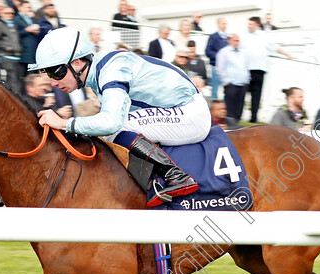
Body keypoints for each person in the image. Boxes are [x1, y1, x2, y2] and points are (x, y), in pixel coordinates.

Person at [30, 27, 208, 207]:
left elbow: (111, 122)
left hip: (190, 113)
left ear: (77, 63)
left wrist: (63, 123)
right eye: (48, 74)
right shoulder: (98, 72)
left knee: (113, 128)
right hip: (177, 108)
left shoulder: (110, 70)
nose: (53, 81)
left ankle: (176, 176)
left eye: (56, 71)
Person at [240, 16, 294, 123]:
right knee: (242, 93)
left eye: (251, 24)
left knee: (256, 94)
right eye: (248, 24)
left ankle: (253, 117)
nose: (249, 26)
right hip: (245, 69)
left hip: (259, 69)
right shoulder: (243, 35)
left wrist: (288, 55)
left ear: (257, 25)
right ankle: (238, 115)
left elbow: (275, 48)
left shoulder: (263, 36)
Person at [215, 33, 248, 124]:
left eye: (238, 40)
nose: (237, 42)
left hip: (242, 83)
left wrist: (246, 79)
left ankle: (237, 123)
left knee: (240, 105)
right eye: (235, 40)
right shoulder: (224, 52)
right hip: (231, 84)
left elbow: (245, 66)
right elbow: (219, 68)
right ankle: (230, 124)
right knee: (230, 106)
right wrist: (226, 81)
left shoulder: (242, 52)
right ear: (229, 40)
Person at [0, 4, 22, 91]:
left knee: (16, 80)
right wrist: (6, 47)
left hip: (17, 57)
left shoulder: (14, 25)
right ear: (1, 14)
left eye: (12, 13)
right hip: (6, 56)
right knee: (13, 81)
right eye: (7, 13)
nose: (10, 15)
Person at [15, 0, 40, 74]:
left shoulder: (31, 19)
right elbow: (15, 34)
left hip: (32, 53)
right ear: (20, 8)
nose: (29, 9)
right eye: (27, 7)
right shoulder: (17, 19)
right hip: (23, 52)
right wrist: (27, 30)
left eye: (30, 7)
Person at [205, 17, 228, 99]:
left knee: (226, 90)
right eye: (223, 23)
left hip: (226, 68)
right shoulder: (213, 37)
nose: (224, 25)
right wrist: (219, 56)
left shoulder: (228, 38)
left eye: (225, 23)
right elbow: (208, 51)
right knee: (215, 90)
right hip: (216, 67)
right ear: (218, 25)